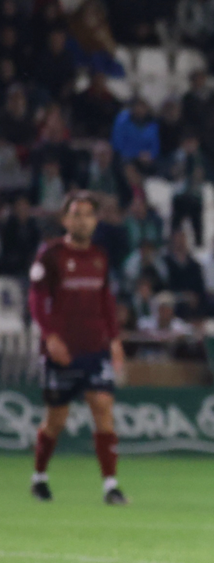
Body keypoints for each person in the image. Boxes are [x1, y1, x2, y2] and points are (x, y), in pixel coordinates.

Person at [27, 192, 127, 505]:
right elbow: (35, 298)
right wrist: (50, 336)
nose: (82, 219)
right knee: (56, 420)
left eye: (88, 214)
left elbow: (106, 301)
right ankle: (39, 476)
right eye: (76, 213)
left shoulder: (100, 256)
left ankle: (111, 485)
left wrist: (114, 339)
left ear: (96, 221)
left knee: (102, 405)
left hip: (95, 348)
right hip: (62, 351)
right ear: (65, 219)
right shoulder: (51, 254)